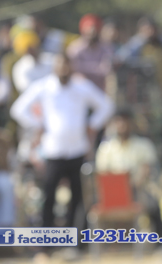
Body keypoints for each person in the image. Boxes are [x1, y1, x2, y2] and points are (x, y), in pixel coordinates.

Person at [11, 54, 114, 230]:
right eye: (60, 66)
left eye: (67, 65)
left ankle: (76, 239)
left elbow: (106, 106)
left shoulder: (82, 87)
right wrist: (38, 125)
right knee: (49, 195)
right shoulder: (44, 86)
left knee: (78, 197)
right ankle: (47, 237)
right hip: (53, 150)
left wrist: (92, 125)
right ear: (54, 68)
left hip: (77, 149)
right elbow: (18, 109)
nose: (63, 69)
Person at [95, 109, 162, 235]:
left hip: (137, 191)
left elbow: (146, 170)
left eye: (125, 121)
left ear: (132, 124)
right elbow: (102, 174)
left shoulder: (143, 145)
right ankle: (81, 243)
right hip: (112, 194)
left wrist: (131, 186)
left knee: (153, 203)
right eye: (119, 121)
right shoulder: (106, 148)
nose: (122, 125)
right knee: (87, 206)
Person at [67, 14, 115, 92]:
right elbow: (72, 68)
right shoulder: (75, 48)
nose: (91, 34)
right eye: (89, 31)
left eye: (94, 31)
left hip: (99, 89)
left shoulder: (106, 48)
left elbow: (106, 69)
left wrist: (83, 68)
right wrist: (96, 68)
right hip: (79, 89)